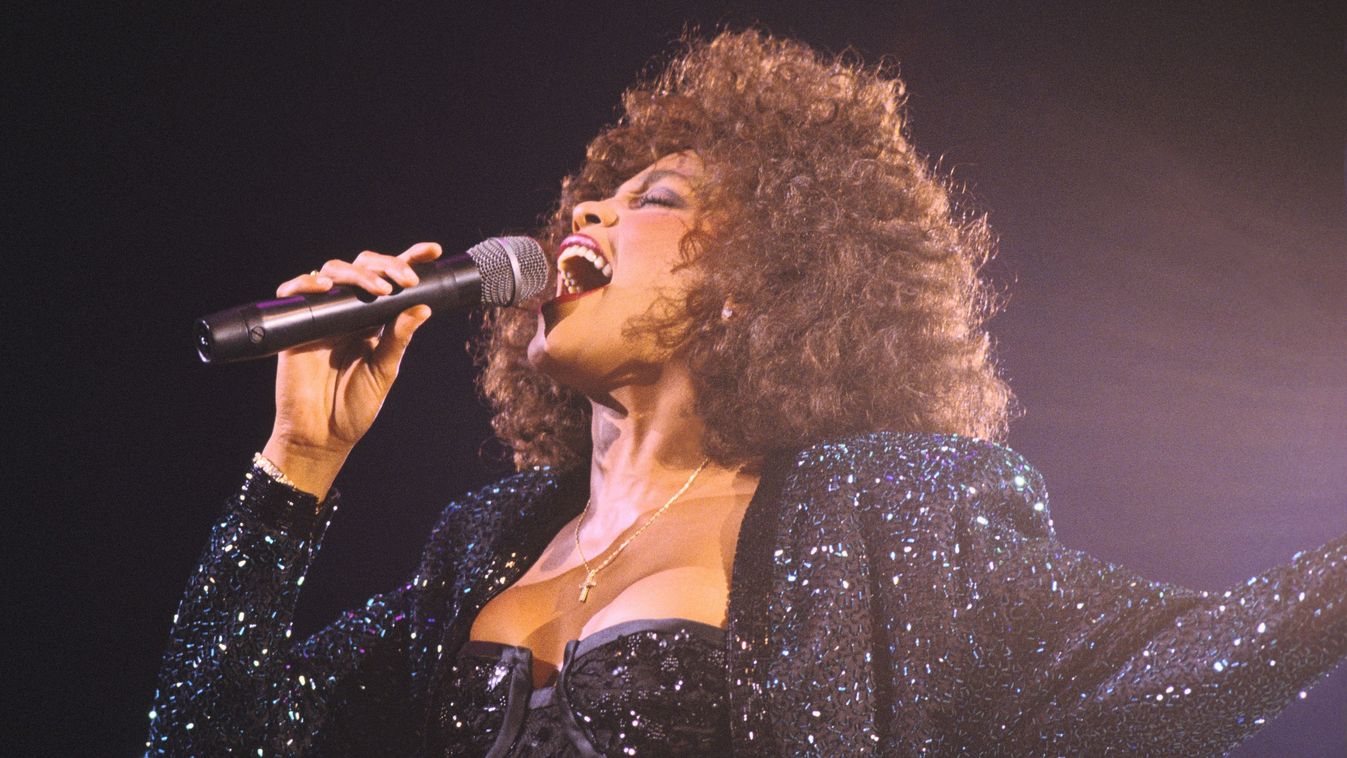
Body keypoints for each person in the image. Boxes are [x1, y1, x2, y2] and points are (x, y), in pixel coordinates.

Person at [147, 30, 1346, 756]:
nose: (589, 214)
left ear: (758, 284)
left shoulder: (882, 521)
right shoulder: (479, 546)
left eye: (653, 199)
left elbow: (1176, 660)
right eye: (592, 200)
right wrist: (292, 473)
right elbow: (206, 741)